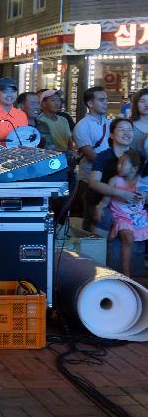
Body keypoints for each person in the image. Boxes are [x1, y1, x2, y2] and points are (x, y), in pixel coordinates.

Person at [96, 150, 148, 277]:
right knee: (128, 237)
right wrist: (100, 207)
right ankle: (126, 273)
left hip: (138, 215)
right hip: (121, 216)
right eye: (118, 163)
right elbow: (106, 200)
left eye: (123, 164)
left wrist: (145, 195)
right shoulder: (114, 180)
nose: (118, 166)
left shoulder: (141, 181)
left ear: (134, 168)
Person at [87, 118, 140, 238]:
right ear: (111, 134)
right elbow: (93, 183)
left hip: (130, 204)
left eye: (130, 130)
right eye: (122, 129)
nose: (127, 133)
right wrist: (120, 193)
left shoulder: (138, 156)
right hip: (103, 201)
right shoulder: (103, 157)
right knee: (105, 218)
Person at [73, 87, 111, 231]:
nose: (106, 102)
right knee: (92, 220)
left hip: (108, 179)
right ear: (90, 103)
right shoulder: (82, 126)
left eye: (106, 99)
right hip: (90, 180)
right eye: (102, 100)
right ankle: (91, 253)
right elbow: (90, 155)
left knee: (106, 222)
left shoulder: (108, 123)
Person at [128, 88, 148, 155]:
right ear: (136, 104)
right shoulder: (127, 125)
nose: (146, 105)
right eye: (142, 101)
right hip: (134, 164)